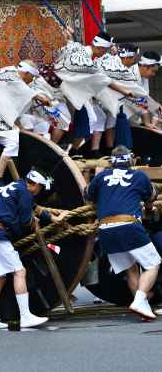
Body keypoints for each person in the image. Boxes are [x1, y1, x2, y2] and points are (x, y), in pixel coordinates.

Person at [85, 145, 161, 320]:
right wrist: (149, 205)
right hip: (128, 226)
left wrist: (95, 178)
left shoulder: (102, 176)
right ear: (131, 160)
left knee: (131, 270)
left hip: (105, 230)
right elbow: (151, 196)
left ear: (112, 162)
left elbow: (87, 194)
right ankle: (140, 300)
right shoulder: (139, 176)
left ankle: (143, 309)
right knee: (153, 264)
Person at [0, 167, 52, 329]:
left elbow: (33, 208)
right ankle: (25, 316)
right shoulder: (24, 192)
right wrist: (34, 223)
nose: (39, 192)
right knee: (19, 271)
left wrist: (52, 216)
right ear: (36, 184)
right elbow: (25, 221)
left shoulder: (14, 186)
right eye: (40, 187)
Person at [54, 29, 135, 158]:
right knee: (84, 120)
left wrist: (69, 35)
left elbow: (70, 42)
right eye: (104, 50)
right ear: (100, 48)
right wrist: (125, 90)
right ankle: (62, 148)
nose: (104, 53)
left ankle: (73, 149)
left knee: (91, 119)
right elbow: (105, 80)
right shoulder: (87, 64)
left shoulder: (77, 47)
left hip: (69, 90)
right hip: (65, 92)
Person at [0, 60, 50, 185]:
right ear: (26, 73)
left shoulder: (7, 72)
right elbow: (23, 90)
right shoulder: (12, 76)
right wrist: (41, 98)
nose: (31, 81)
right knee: (12, 141)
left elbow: (8, 102)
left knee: (22, 127)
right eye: (32, 77)